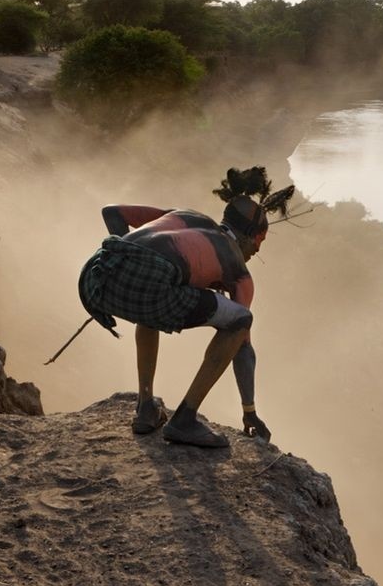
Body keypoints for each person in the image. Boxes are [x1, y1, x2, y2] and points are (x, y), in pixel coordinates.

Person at [78, 166, 294, 448]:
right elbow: (242, 344)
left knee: (151, 308)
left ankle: (145, 408)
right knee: (240, 320)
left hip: (95, 276)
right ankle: (184, 420)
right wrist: (249, 411)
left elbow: (112, 213)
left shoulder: (184, 215)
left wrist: (125, 262)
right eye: (259, 240)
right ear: (248, 235)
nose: (257, 250)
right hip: (149, 284)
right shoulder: (239, 271)